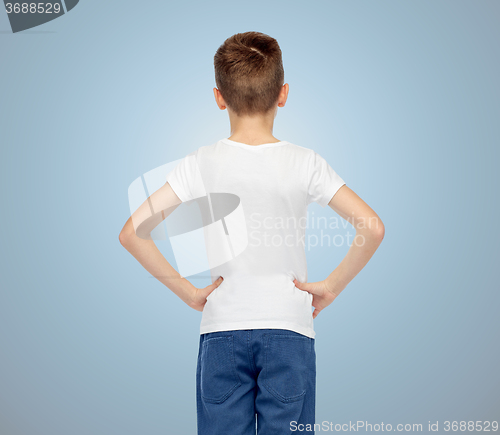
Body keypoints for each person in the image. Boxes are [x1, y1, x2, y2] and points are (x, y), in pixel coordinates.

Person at [119, 31, 385, 435]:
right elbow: (372, 226)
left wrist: (189, 292)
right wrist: (330, 286)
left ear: (218, 96)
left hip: (222, 330)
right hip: (290, 331)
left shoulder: (200, 163)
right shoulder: (306, 163)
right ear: (283, 93)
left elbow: (132, 233)